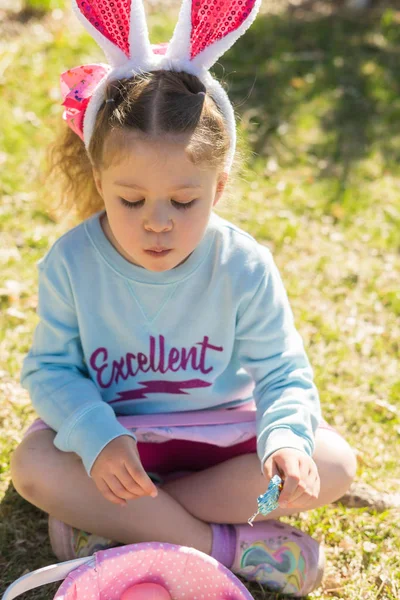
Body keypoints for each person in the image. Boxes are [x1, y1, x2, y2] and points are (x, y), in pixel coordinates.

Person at [10, 0, 357, 596]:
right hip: (116, 446)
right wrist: (98, 435)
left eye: (184, 201)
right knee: (32, 468)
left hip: (219, 446)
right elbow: (50, 370)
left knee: (332, 464)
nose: (157, 223)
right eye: (131, 200)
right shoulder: (71, 263)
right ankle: (224, 548)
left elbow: (281, 370)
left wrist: (283, 443)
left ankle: (118, 525)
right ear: (99, 182)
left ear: (218, 186)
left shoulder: (242, 263)